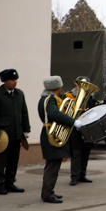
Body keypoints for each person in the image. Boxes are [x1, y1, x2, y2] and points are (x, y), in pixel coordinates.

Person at [0, 68, 31, 195]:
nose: (15, 82)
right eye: (12, 80)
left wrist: (26, 129)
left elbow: (24, 113)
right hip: (3, 134)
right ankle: (0, 184)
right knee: (2, 160)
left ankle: (10, 183)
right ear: (5, 81)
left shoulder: (19, 94)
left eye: (16, 79)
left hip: (17, 133)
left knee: (13, 159)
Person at [38, 76, 76, 204]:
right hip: (52, 133)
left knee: (52, 165)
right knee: (52, 166)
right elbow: (54, 114)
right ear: (58, 87)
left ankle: (48, 191)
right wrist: (73, 121)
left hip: (51, 132)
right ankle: (48, 193)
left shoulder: (45, 98)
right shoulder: (51, 99)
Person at [68, 77, 99, 185]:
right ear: (77, 85)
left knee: (86, 152)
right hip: (75, 129)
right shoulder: (70, 96)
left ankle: (82, 175)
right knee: (76, 154)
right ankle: (74, 176)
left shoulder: (90, 98)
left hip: (87, 130)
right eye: (80, 85)